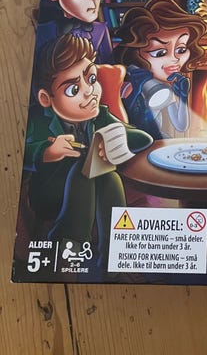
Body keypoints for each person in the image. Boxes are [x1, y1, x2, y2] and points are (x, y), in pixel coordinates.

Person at [25, 34, 152, 267]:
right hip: (51, 194)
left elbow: (142, 137)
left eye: (91, 79)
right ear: (45, 98)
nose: (89, 91)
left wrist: (116, 142)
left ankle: (114, 247)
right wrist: (47, 151)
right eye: (73, 89)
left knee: (110, 178)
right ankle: (71, 242)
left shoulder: (100, 116)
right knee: (84, 173)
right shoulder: (38, 119)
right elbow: (19, 153)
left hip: (94, 190)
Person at [114, 0, 207, 139]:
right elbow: (120, 123)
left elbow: (181, 125)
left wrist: (183, 97)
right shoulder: (127, 87)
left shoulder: (163, 88)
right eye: (160, 53)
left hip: (156, 142)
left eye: (181, 50)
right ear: (137, 54)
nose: (175, 59)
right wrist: (135, 93)